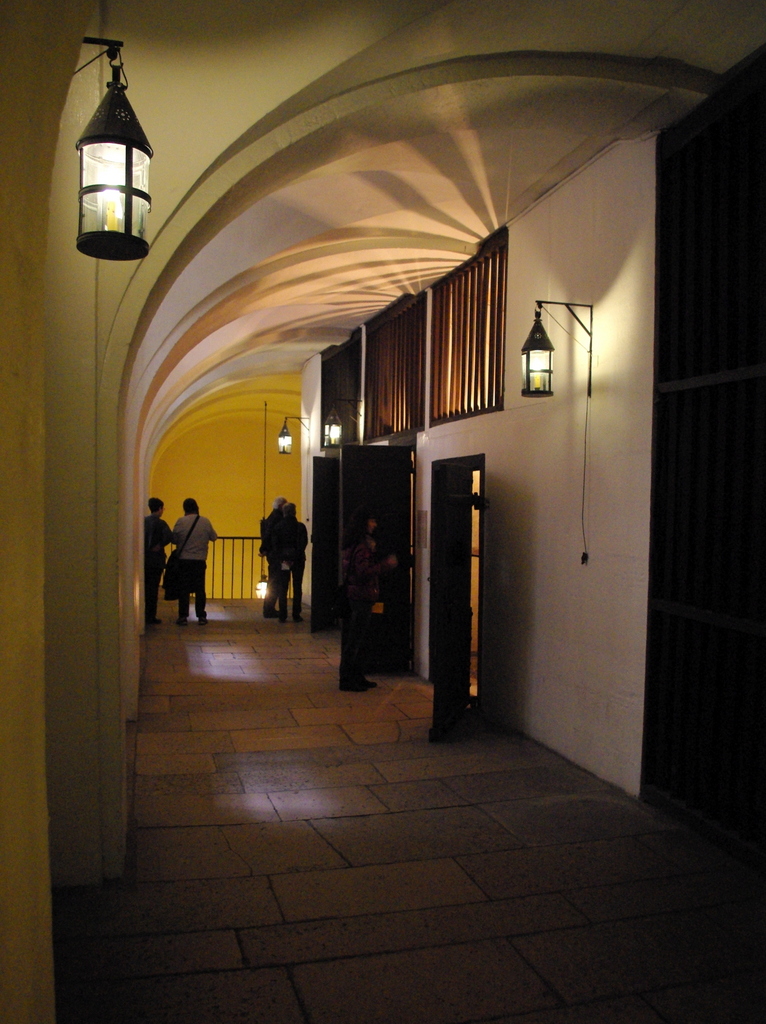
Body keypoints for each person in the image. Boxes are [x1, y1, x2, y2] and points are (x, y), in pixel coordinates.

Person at [338, 506, 398, 691]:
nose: (375, 524)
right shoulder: (363, 547)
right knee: (356, 640)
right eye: (371, 520)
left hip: (354, 595)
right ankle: (349, 680)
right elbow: (364, 572)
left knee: (354, 639)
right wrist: (386, 565)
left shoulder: (353, 543)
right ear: (364, 523)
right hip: (361, 596)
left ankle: (355, 676)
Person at [171, 498, 218, 625]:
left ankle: (183, 616)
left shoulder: (180, 521)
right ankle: (201, 616)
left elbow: (174, 539)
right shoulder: (205, 521)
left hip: (184, 560)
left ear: (184, 509)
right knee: (200, 589)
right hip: (199, 560)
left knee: (183, 589)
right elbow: (214, 537)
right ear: (197, 507)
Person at [270, 502, 308, 621]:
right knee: (297, 586)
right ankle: (296, 614)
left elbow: (275, 545)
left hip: (284, 560)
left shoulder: (278, 526)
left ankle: (283, 614)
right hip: (298, 560)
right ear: (294, 512)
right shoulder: (300, 527)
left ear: (284, 512)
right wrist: (296, 556)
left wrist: (282, 558)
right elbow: (303, 543)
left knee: (283, 587)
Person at [143, 497, 173, 624]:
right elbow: (169, 536)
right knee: (153, 588)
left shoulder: (143, 522)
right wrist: (159, 545)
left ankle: (142, 614)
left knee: (144, 587)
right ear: (160, 509)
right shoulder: (161, 523)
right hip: (156, 560)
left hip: (144, 558)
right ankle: (151, 615)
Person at [259, 496, 286, 618]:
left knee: (273, 581)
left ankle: (269, 608)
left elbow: (267, 534)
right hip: (276, 554)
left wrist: (264, 549)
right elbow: (271, 535)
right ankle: (270, 609)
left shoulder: (272, 517)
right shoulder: (278, 518)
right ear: (281, 506)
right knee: (276, 582)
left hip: (271, 553)